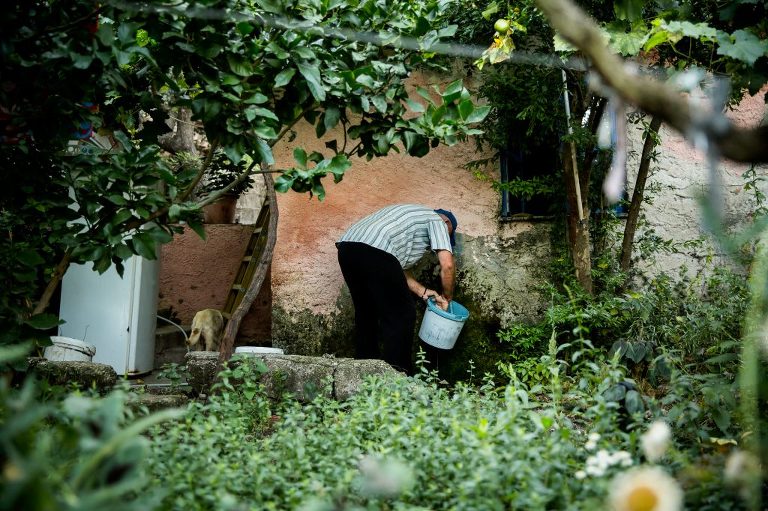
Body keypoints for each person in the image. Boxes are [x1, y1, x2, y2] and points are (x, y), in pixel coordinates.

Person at [336, 204, 457, 373]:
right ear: (447, 223)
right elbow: (448, 265)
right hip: (376, 250)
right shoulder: (437, 220)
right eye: (448, 236)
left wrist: (422, 291)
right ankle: (398, 373)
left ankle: (362, 370)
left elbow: (393, 267)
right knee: (402, 314)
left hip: (347, 248)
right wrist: (446, 298)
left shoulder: (411, 216)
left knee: (366, 311)